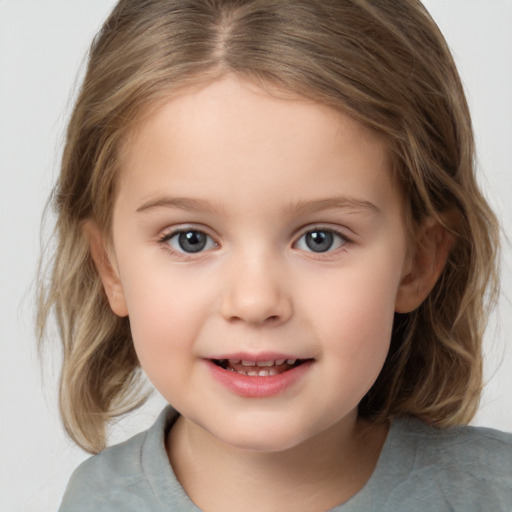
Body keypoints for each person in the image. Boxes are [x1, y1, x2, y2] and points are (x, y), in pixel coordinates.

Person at [37, 0, 512, 510]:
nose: (256, 300)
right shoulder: (96, 501)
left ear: (417, 262)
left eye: (320, 239)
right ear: (109, 266)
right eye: (190, 239)